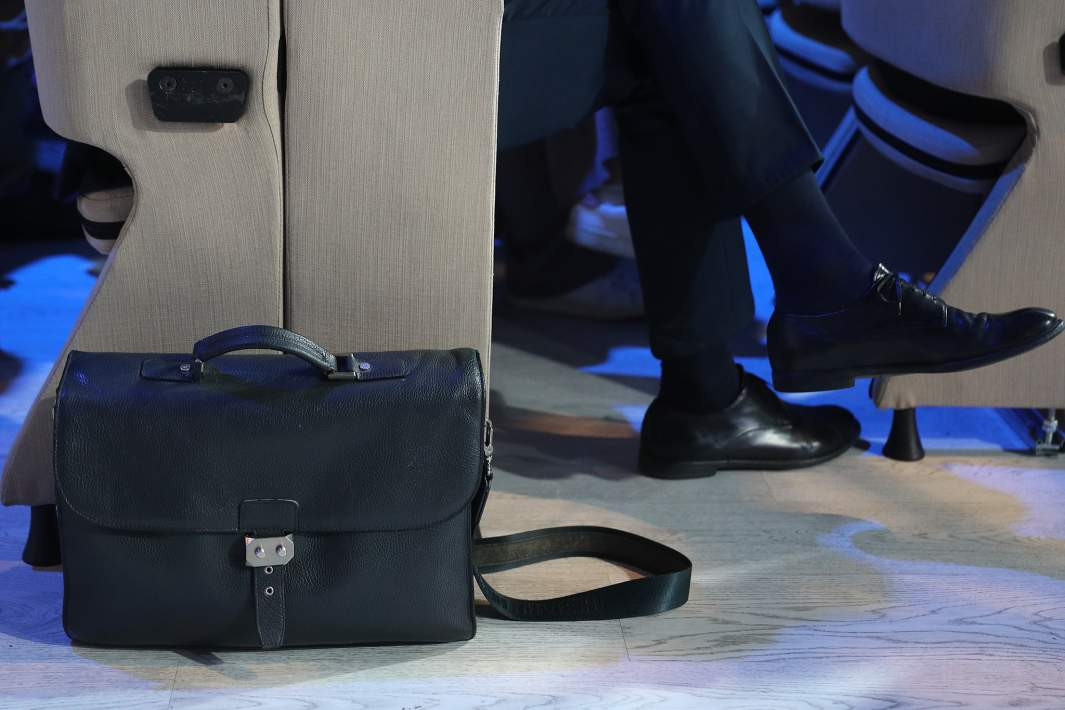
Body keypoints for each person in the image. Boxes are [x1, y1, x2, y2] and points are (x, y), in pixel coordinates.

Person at [497, 0, 1063, 479]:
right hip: (449, 44)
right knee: (677, 31)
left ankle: (721, 383)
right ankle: (809, 308)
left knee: (676, 34)